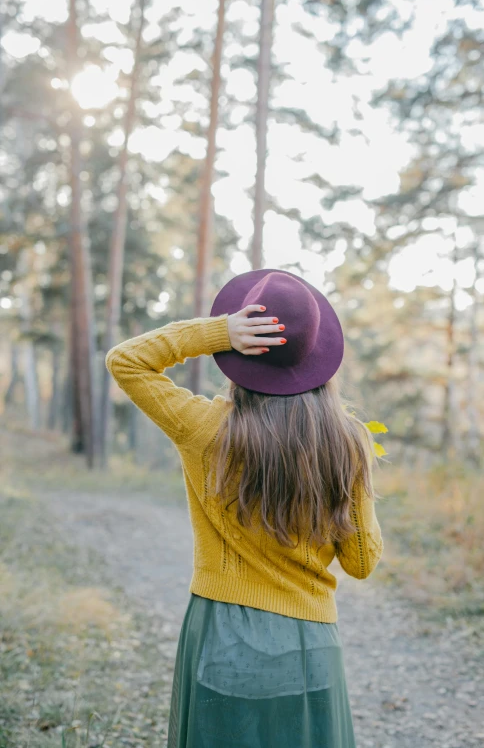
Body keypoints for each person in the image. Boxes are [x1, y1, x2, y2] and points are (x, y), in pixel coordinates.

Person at [106, 268, 384, 748]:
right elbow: (361, 562)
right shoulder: (348, 441)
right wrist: (351, 472)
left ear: (239, 356)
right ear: (317, 356)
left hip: (223, 638)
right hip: (313, 646)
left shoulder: (205, 429)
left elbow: (126, 361)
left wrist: (216, 330)